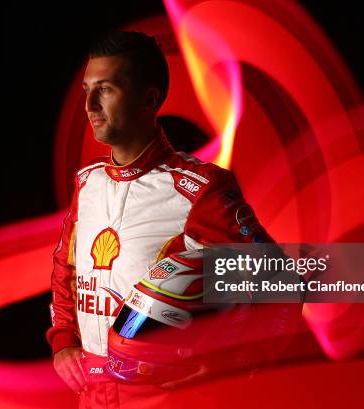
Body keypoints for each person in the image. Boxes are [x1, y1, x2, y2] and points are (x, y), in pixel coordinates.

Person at [46, 30, 274, 408]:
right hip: (91, 394)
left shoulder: (201, 189)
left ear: (149, 99)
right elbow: (64, 270)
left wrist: (236, 361)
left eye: (105, 89)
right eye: (87, 88)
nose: (89, 104)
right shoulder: (87, 184)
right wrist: (64, 342)